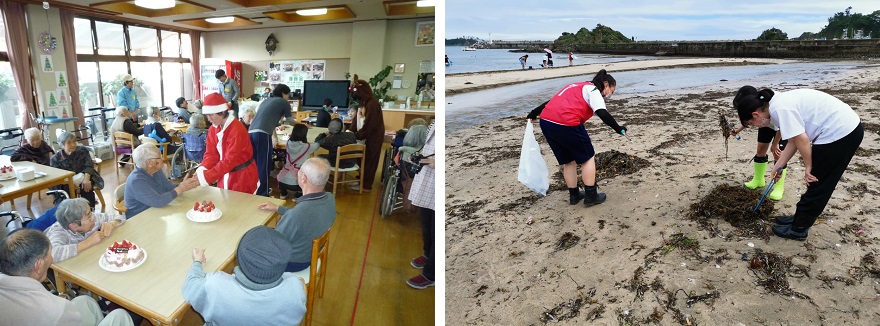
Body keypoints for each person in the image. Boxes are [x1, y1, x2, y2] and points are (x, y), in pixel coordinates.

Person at [735, 88, 863, 240]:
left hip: (840, 133)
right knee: (816, 179)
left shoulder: (779, 109)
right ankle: (799, 217)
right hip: (840, 128)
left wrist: (808, 167)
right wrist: (779, 165)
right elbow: (793, 140)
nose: (758, 126)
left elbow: (802, 140)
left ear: (755, 114)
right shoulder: (776, 105)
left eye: (752, 123)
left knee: (818, 181)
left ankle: (799, 228)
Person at [526, 69, 627, 206]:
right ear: (606, 84)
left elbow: (551, 102)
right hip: (566, 122)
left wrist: (534, 112)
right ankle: (591, 196)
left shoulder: (576, 85)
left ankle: (574, 195)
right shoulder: (593, 90)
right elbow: (602, 113)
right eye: (612, 91)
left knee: (568, 161)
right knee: (587, 158)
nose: (610, 95)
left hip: (547, 122)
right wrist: (619, 129)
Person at [0, 229, 135, 326]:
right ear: (38, 265)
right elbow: (57, 313)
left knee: (85, 302)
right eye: (49, 254)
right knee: (120, 315)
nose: (51, 258)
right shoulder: (54, 310)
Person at [183, 226, 306, 325]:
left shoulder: (215, 285)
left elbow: (190, 286)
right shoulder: (295, 288)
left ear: (239, 259)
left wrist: (197, 262)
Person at [257, 158, 336, 272]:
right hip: (310, 252)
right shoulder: (330, 198)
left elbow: (275, 244)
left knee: (253, 240)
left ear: (303, 178)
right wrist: (278, 208)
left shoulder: (297, 215)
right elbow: (305, 218)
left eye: (300, 170)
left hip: (293, 262)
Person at [730, 86, 788, 201]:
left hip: (783, 126)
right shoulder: (756, 108)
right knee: (760, 149)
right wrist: (738, 130)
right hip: (765, 123)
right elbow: (749, 119)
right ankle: (758, 179)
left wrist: (774, 144)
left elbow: (782, 127)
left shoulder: (774, 106)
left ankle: (779, 187)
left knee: (779, 154)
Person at [196, 93, 258, 194]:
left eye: (210, 115)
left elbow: (229, 161)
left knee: (242, 207)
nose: (208, 119)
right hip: (224, 173)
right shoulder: (213, 129)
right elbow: (211, 154)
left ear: (221, 112)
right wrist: (202, 170)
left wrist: (206, 177)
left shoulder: (236, 129)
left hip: (242, 177)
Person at [124, 144, 199, 218]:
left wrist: (184, 185)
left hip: (156, 213)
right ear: (149, 163)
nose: (163, 158)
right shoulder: (136, 181)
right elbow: (158, 201)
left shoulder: (156, 170)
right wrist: (181, 188)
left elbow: (168, 188)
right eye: (159, 156)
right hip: (139, 219)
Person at [44, 198, 125, 262]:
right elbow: (52, 255)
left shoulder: (93, 218)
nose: (93, 218)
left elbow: (120, 217)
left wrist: (112, 223)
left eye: (91, 212)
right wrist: (89, 242)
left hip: (91, 258)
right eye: (89, 217)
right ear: (74, 226)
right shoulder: (58, 232)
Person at [249, 83, 294, 196]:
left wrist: (274, 137)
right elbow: (291, 121)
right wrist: (304, 126)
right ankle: (263, 193)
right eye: (288, 94)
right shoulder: (283, 102)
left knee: (255, 164)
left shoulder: (266, 101)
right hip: (262, 134)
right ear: (284, 93)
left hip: (250, 133)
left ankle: (255, 190)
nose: (288, 97)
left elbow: (271, 122)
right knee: (264, 165)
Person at [406, 122, 435, 289]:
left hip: (435, 178)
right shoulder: (434, 123)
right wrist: (419, 156)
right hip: (427, 176)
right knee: (426, 222)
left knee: (435, 227)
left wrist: (431, 161)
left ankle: (430, 274)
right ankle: (428, 254)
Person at [349, 74, 385, 191]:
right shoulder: (363, 102)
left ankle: (366, 185)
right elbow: (357, 120)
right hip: (363, 136)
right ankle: (361, 180)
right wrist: (350, 131)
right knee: (361, 159)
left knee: (369, 160)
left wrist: (358, 135)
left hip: (372, 137)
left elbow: (370, 124)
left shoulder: (372, 103)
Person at [51, 132, 104, 209]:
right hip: (66, 181)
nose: (73, 145)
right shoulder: (55, 159)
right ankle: (71, 212)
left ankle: (90, 210)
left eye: (74, 142)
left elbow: (89, 166)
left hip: (86, 175)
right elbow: (58, 175)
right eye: (69, 143)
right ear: (62, 145)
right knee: (67, 189)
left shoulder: (82, 150)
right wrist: (70, 182)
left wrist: (86, 179)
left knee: (86, 186)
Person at [278, 124, 319, 199]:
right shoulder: (307, 147)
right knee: (309, 176)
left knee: (284, 174)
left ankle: (283, 193)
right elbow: (317, 144)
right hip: (297, 184)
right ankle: (298, 195)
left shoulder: (288, 143)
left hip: (282, 181)